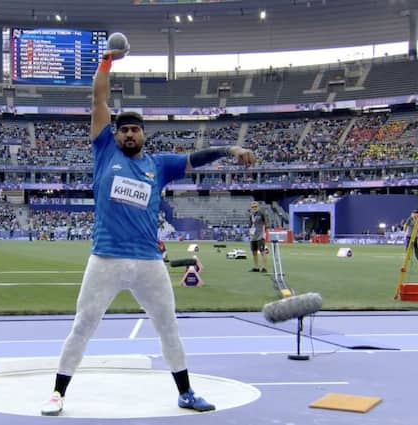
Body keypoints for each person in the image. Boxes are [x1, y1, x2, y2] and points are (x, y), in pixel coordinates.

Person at [40, 44, 256, 416]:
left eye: (134, 130)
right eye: (123, 129)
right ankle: (58, 393)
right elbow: (98, 98)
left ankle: (185, 392)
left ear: (143, 134)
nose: (128, 134)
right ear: (116, 133)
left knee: (168, 327)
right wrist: (106, 62)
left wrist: (230, 149)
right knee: (83, 326)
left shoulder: (161, 165)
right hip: (105, 258)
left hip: (148, 262)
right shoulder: (104, 150)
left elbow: (196, 158)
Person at [248, 201, 268, 272]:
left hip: (260, 236)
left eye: (255, 206)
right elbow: (250, 225)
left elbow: (266, 224)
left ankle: (264, 267)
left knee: (262, 251)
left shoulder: (261, 214)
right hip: (253, 236)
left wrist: (264, 234)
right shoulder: (251, 215)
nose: (254, 208)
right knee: (254, 252)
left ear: (258, 207)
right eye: (253, 207)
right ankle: (256, 267)